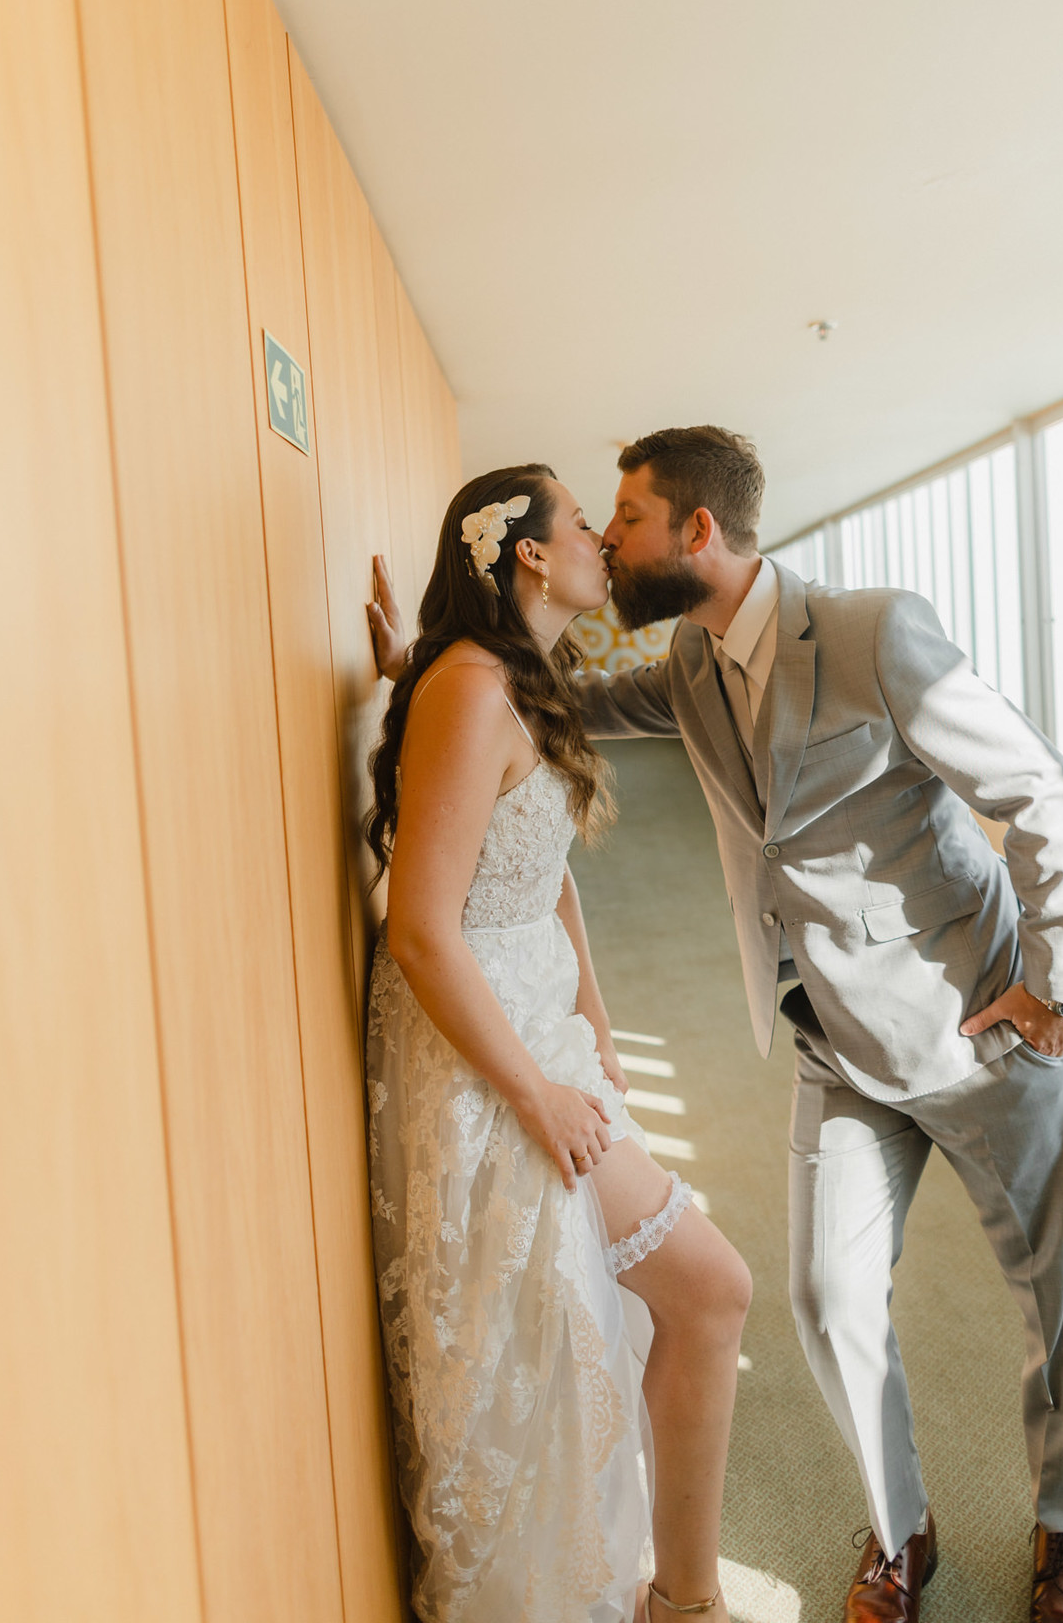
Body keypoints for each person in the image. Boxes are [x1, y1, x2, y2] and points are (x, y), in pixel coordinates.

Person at [370, 425, 1063, 1623]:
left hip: (969, 1014)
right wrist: (425, 661)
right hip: (828, 1040)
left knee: (1051, 1279)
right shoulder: (690, 668)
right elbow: (538, 706)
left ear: (696, 531)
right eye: (594, 523)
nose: (610, 541)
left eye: (625, 518)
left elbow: (1037, 791)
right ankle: (900, 1528)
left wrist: (1058, 983)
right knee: (826, 1302)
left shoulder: (876, 631)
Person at [364, 464, 750, 1623]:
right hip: (485, 1052)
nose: (602, 537)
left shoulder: (510, 682)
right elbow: (422, 931)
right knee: (711, 1292)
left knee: (610, 1327)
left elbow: (547, 881)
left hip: (543, 1025)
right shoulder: (475, 691)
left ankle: (672, 1595)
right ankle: (686, 1604)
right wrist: (535, 1092)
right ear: (530, 554)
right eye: (586, 520)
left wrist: (599, 1031)